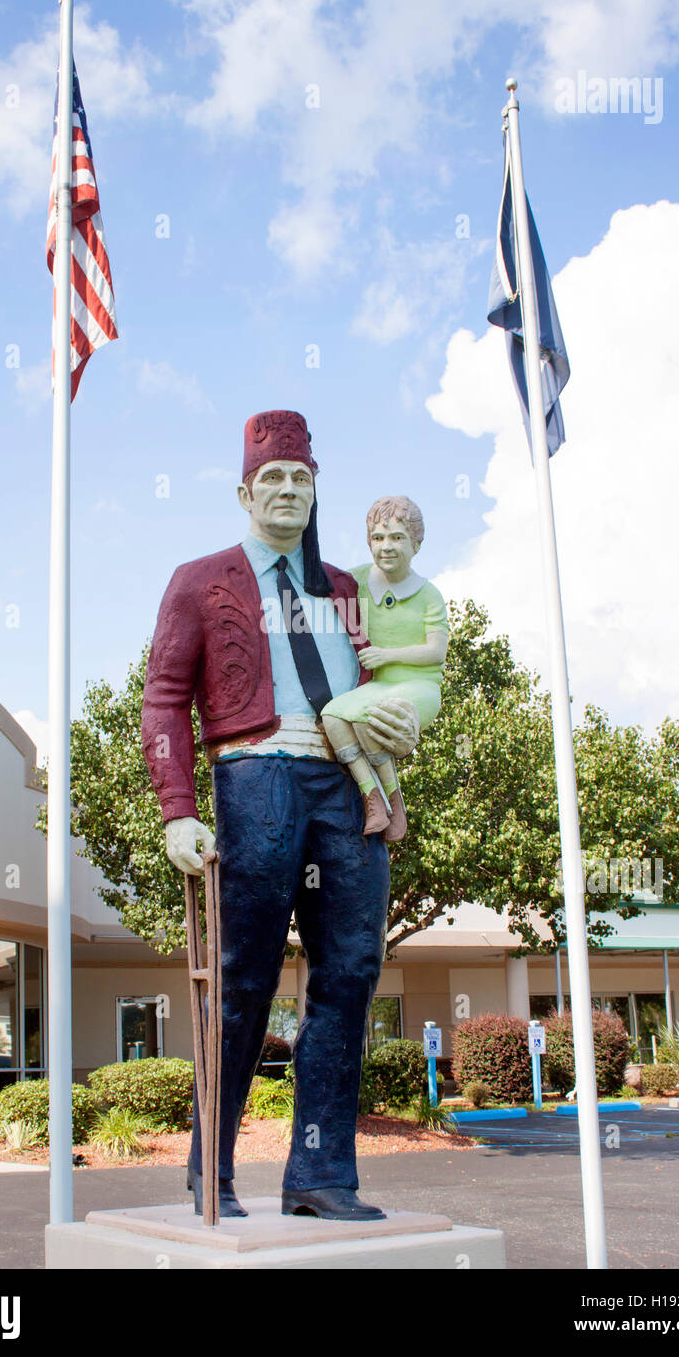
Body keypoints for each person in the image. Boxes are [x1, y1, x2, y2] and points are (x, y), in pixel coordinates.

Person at [141, 409, 419, 1222]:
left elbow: (383, 681)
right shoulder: (200, 580)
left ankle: (320, 1174)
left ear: (315, 489)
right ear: (244, 491)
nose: (289, 491)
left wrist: (399, 715)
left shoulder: (346, 588)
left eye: (302, 478)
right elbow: (163, 701)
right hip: (253, 775)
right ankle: (211, 1170)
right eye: (274, 479)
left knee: (351, 973)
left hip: (346, 782)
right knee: (243, 979)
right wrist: (176, 811)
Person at [321, 496, 448, 842]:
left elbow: (436, 651)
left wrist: (387, 655)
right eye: (378, 538)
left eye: (397, 538)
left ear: (416, 544)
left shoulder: (428, 595)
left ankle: (394, 798)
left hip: (417, 684)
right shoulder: (359, 580)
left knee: (369, 719)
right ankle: (371, 795)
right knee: (333, 716)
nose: (386, 547)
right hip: (378, 684)